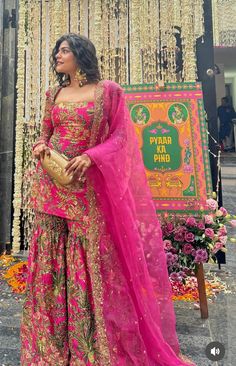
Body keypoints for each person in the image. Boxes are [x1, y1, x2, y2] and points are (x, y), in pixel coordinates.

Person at [20, 33, 194, 366]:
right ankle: (51, 346)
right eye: (57, 50)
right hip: (51, 188)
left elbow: (122, 138)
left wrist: (93, 155)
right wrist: (41, 146)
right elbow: (45, 133)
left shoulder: (108, 92)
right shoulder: (53, 93)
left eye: (65, 50)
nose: (58, 55)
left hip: (86, 191)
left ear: (81, 55)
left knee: (85, 263)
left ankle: (88, 346)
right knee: (51, 263)